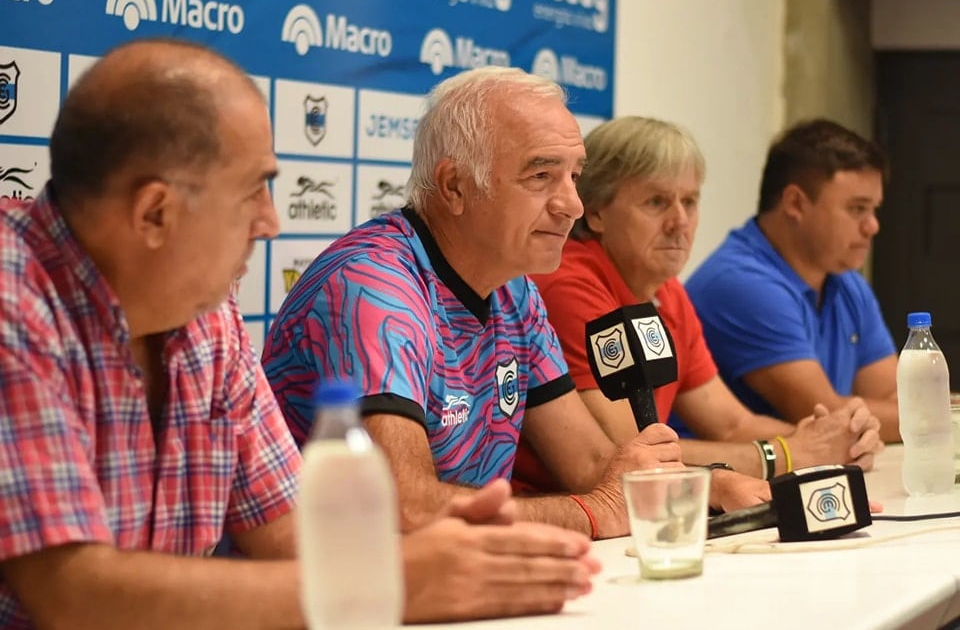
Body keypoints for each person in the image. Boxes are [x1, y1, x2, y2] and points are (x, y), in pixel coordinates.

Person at [0, 39, 602, 629]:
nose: (271, 221)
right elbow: (70, 594)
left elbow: (287, 533)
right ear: (155, 213)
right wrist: (393, 581)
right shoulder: (13, 299)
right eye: (252, 190)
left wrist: (442, 561)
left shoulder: (209, 317)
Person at [263, 66, 771, 544]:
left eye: (574, 176)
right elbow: (401, 507)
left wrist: (711, 485)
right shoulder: (373, 286)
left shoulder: (514, 288)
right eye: (541, 177)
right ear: (454, 186)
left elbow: (592, 463)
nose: (572, 204)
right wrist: (594, 512)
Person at [511, 116, 883, 492]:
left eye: (689, 201)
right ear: (595, 213)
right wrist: (788, 454)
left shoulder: (668, 291)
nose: (680, 222)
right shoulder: (569, 284)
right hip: (554, 515)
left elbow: (731, 423)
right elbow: (630, 453)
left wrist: (834, 439)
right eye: (657, 202)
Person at [685, 119, 900, 442]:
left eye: (874, 209)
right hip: (715, 482)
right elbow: (826, 416)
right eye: (857, 209)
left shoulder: (845, 280)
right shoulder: (741, 284)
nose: (872, 226)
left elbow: (897, 399)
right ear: (795, 203)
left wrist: (930, 414)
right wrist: (938, 415)